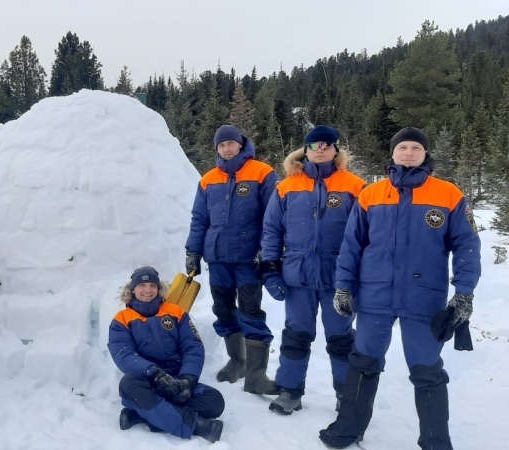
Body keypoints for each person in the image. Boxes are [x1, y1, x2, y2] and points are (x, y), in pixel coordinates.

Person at [318, 127, 481, 449]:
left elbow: (467, 247)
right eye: (402, 147)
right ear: (392, 154)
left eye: (415, 148)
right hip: (375, 295)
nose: (408, 153)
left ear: (425, 154)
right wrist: (343, 287)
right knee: (364, 362)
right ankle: (349, 427)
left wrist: (464, 292)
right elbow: (352, 246)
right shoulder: (371, 195)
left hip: (424, 298)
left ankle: (436, 440)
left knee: (427, 370)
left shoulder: (448, 194)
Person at [260, 125, 366, 415]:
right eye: (315, 145)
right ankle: (290, 391)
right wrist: (270, 268)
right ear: (305, 150)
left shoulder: (355, 185)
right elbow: (271, 230)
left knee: (341, 339)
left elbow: (367, 234)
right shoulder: (286, 186)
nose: (321, 149)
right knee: (296, 334)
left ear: (336, 150)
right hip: (297, 276)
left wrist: (362, 274)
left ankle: (347, 394)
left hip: (339, 277)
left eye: (327, 145)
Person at [185, 124, 280, 394]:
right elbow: (199, 219)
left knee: (250, 310)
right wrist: (193, 251)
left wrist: (267, 250)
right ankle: (237, 361)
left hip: (249, 258)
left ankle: (256, 375)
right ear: (217, 148)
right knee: (224, 310)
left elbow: (272, 217)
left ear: (240, 144)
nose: (227, 148)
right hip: (218, 259)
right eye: (221, 144)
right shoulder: (208, 179)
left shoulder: (262, 173)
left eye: (231, 143)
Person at [108, 266, 225, 443]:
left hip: (176, 379)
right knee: (128, 385)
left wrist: (188, 379)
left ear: (159, 289)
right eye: (142, 285)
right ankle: (196, 425)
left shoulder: (176, 312)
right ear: (132, 290)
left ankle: (143, 413)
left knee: (214, 402)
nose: (148, 290)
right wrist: (154, 374)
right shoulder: (121, 319)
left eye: (152, 286)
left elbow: (192, 347)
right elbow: (123, 354)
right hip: (146, 381)